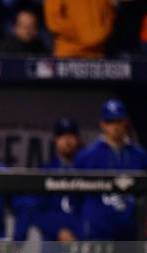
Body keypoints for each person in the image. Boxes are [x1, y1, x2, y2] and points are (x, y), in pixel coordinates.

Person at [75, 99, 147, 240]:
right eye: (110, 122)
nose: (115, 127)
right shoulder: (87, 156)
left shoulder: (139, 156)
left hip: (130, 232)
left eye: (118, 121)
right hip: (97, 232)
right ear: (102, 124)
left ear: (125, 122)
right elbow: (75, 196)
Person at [34, 118, 81, 241]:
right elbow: (36, 212)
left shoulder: (87, 170)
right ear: (55, 139)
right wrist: (57, 231)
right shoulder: (45, 171)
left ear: (78, 139)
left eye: (71, 135)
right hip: (52, 241)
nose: (67, 141)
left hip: (82, 239)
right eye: (62, 136)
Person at [44, 0, 115, 58]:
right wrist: (84, 36)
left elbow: (108, 17)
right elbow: (54, 23)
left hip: (96, 55)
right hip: (67, 55)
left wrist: (97, 36)